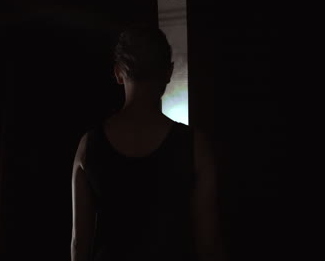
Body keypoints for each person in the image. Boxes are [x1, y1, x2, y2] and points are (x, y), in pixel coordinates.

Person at [71, 25, 223, 261]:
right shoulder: (195, 146)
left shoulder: (88, 145)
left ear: (118, 73)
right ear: (168, 72)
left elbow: (79, 244)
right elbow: (208, 244)